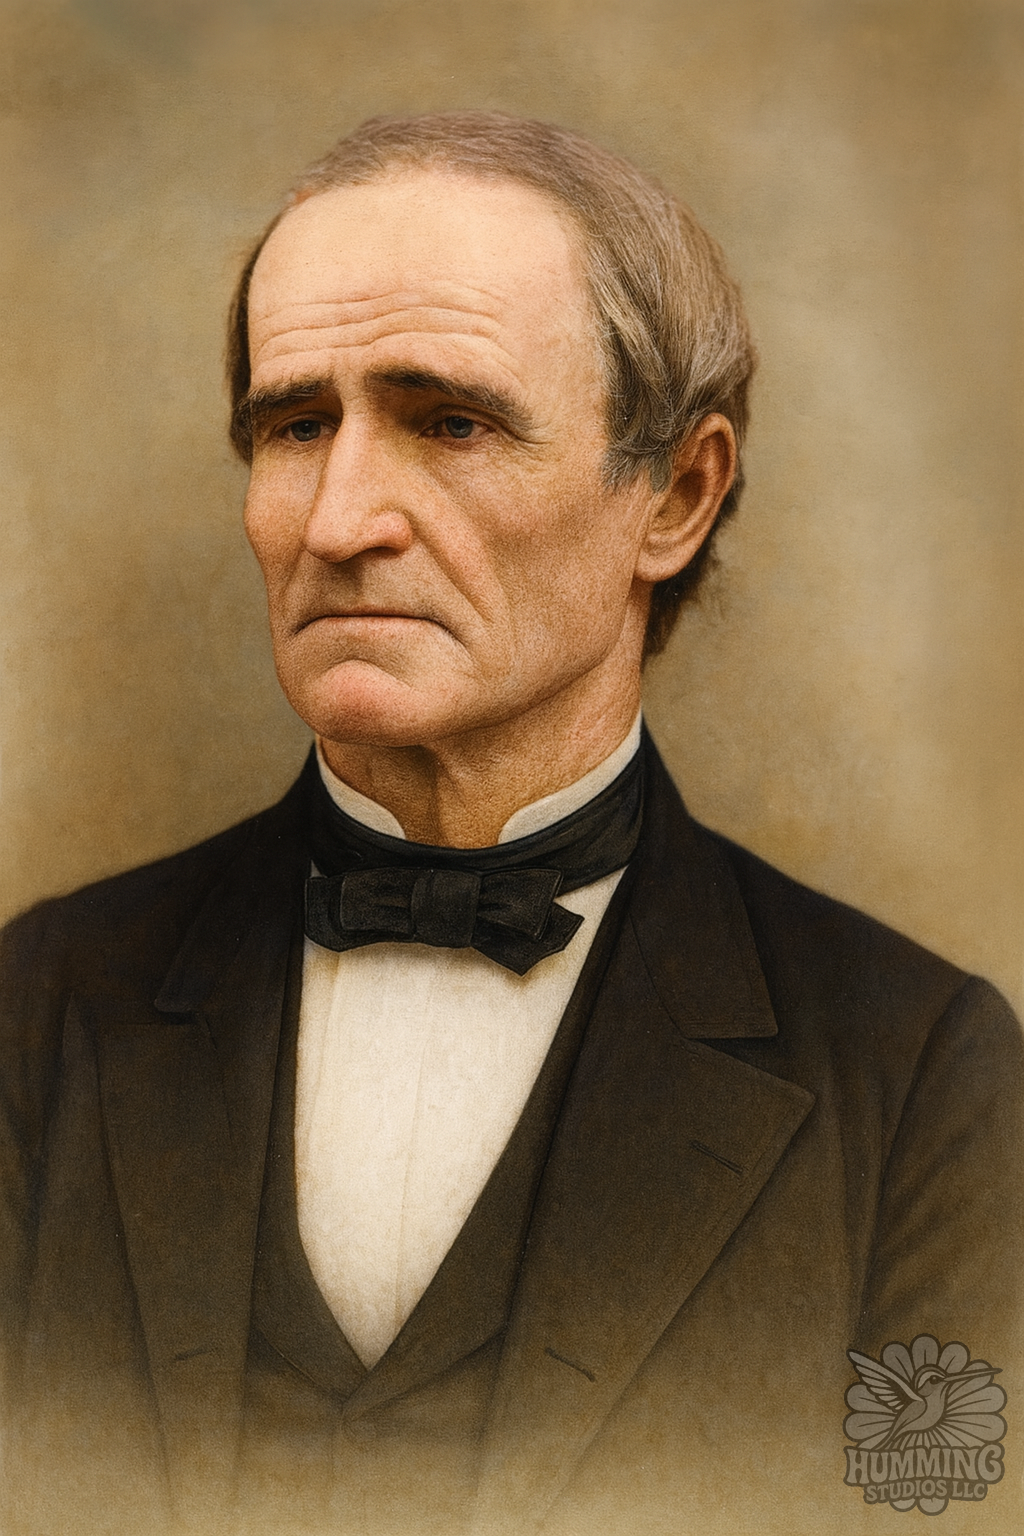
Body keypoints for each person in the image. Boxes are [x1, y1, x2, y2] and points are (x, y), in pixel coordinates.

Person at [0, 112, 1020, 1536]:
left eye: (450, 422)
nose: (339, 518)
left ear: (674, 493)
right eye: (296, 425)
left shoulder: (918, 1076)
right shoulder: (39, 1007)